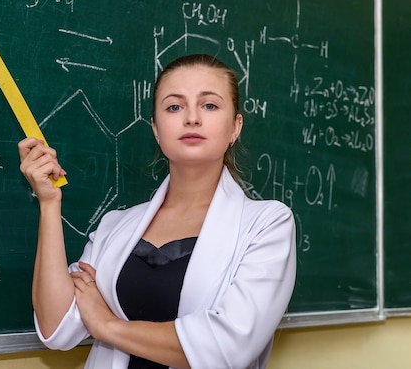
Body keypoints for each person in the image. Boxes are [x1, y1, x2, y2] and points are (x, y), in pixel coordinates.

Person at [18, 54, 296, 369]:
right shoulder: (116, 226)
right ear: (156, 129)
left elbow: (224, 349)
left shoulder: (267, 224)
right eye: (174, 107)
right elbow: (56, 330)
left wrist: (107, 325)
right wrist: (49, 204)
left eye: (209, 105)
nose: (192, 118)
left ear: (235, 126)